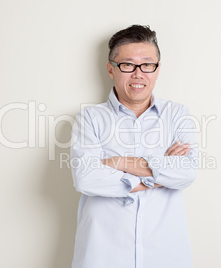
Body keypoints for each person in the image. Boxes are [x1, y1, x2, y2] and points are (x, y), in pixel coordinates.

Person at [70, 25, 199, 268]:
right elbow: (86, 178)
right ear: (111, 69)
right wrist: (159, 174)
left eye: (147, 65)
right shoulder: (90, 118)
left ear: (157, 69)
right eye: (128, 65)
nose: (138, 74)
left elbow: (187, 172)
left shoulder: (177, 114)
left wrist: (117, 163)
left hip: (164, 253)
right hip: (103, 254)